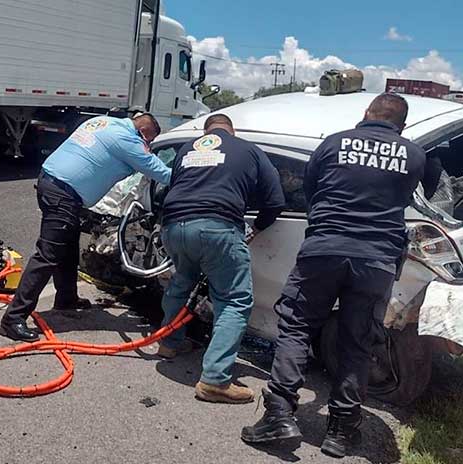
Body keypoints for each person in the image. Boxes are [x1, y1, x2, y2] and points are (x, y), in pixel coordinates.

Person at [241, 93, 427, 458]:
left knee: (296, 328)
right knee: (357, 343)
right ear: (401, 125)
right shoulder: (414, 155)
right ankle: (341, 431)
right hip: (377, 260)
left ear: (365, 115)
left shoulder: (333, 143)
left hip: (324, 249)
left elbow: (311, 191)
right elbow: (409, 195)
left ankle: (279, 414)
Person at [0, 113, 171, 341]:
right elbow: (161, 172)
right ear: (143, 134)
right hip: (63, 194)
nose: (146, 146)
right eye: (148, 142)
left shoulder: (103, 121)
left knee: (68, 247)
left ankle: (66, 298)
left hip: (51, 182)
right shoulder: (128, 140)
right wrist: (198, 175)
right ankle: (13, 319)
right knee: (47, 256)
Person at [157, 114, 285, 404]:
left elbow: (172, 188)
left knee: (181, 282)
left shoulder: (187, 150)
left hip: (174, 226)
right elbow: (275, 199)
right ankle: (214, 380)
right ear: (232, 130)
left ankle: (168, 343)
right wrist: (258, 226)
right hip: (217, 227)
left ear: (206, 132)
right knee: (234, 300)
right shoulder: (248, 149)